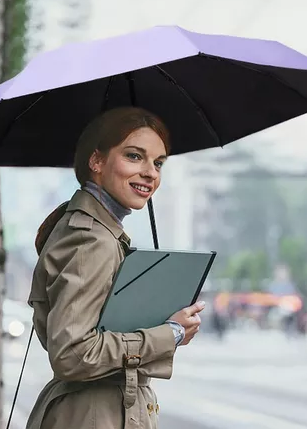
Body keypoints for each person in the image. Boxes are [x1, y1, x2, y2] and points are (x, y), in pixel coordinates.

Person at [26, 107, 206, 429]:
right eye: (134, 156)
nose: (151, 172)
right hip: (94, 415)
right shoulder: (92, 241)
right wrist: (171, 333)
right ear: (96, 161)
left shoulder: (97, 232)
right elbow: (72, 353)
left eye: (158, 162)